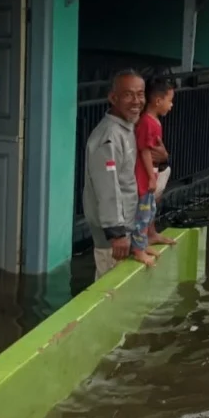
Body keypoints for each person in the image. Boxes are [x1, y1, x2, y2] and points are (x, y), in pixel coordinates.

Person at [83, 70, 145, 280]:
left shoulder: (125, 129)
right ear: (113, 98)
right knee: (110, 290)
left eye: (140, 94)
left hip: (125, 228)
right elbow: (107, 187)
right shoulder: (109, 136)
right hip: (113, 236)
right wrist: (116, 234)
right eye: (128, 95)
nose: (136, 101)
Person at [138, 78, 177, 251]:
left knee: (150, 207)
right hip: (146, 174)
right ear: (158, 100)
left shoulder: (153, 121)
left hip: (153, 170)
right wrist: (150, 177)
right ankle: (140, 244)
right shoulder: (147, 122)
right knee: (144, 209)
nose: (171, 105)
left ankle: (150, 236)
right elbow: (145, 151)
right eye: (170, 101)